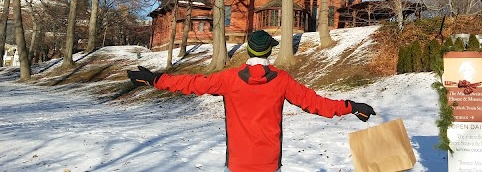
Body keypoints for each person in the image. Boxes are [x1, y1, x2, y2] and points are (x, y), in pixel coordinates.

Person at [127, 30, 376, 172]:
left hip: (237, 163)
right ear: (269, 52)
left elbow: (191, 83)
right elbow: (317, 104)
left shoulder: (229, 79)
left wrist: (155, 79)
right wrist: (351, 107)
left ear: (248, 51)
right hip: (269, 163)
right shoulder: (281, 80)